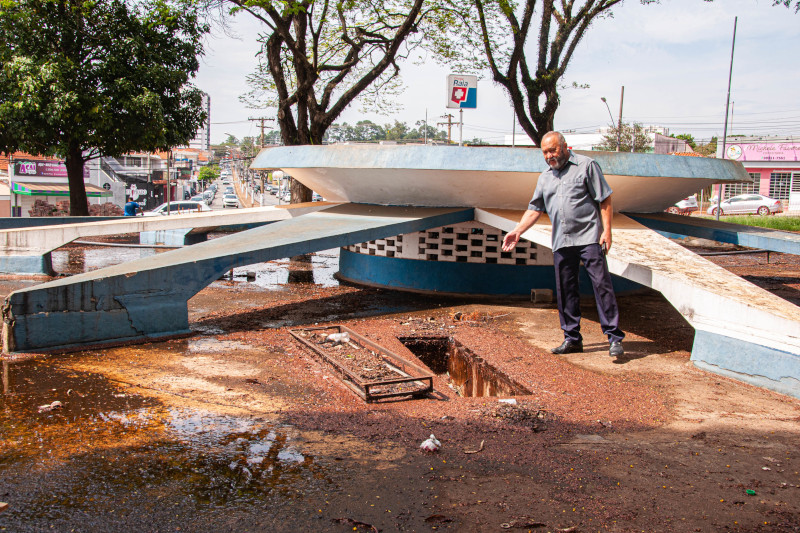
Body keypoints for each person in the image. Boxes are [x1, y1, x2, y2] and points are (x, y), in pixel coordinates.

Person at [502, 131, 625, 357]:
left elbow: (605, 198)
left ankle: (614, 337)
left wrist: (607, 231)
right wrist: (517, 231)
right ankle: (572, 338)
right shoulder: (544, 178)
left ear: (565, 146)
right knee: (566, 290)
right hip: (562, 240)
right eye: (545, 152)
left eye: (553, 150)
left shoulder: (587, 166)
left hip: (589, 238)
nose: (549, 156)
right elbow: (535, 209)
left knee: (602, 286)